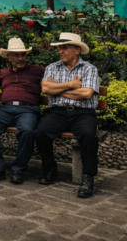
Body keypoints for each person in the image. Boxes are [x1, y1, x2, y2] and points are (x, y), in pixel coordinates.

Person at [35, 33, 101, 198]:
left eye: (65, 47)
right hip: (57, 112)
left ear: (77, 50)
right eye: (60, 48)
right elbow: (45, 89)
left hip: (83, 113)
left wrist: (57, 89)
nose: (61, 51)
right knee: (40, 133)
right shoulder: (52, 67)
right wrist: (71, 85)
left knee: (88, 135)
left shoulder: (89, 69)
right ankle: (50, 169)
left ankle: (88, 177)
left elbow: (86, 94)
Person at [0, 38, 45, 184]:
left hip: (27, 109)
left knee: (27, 130)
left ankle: (18, 169)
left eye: (23, 55)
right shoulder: (4, 73)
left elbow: (52, 81)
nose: (21, 58)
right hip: (5, 109)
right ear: (9, 57)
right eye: (16, 55)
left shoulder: (38, 71)